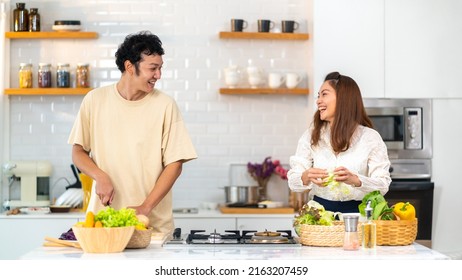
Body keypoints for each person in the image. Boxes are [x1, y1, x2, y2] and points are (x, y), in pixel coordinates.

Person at [68, 31, 197, 234]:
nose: (158, 75)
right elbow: (78, 152)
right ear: (129, 67)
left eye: (160, 68)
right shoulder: (95, 100)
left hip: (151, 226)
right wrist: (100, 176)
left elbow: (175, 164)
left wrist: (145, 208)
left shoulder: (165, 105)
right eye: (153, 68)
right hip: (103, 223)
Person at [287, 71, 391, 213]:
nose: (318, 101)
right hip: (319, 215)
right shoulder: (311, 135)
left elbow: (383, 184)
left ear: (343, 98)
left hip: (359, 215)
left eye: (324, 94)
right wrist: (305, 177)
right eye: (318, 96)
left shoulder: (370, 137)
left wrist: (356, 180)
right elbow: (293, 181)